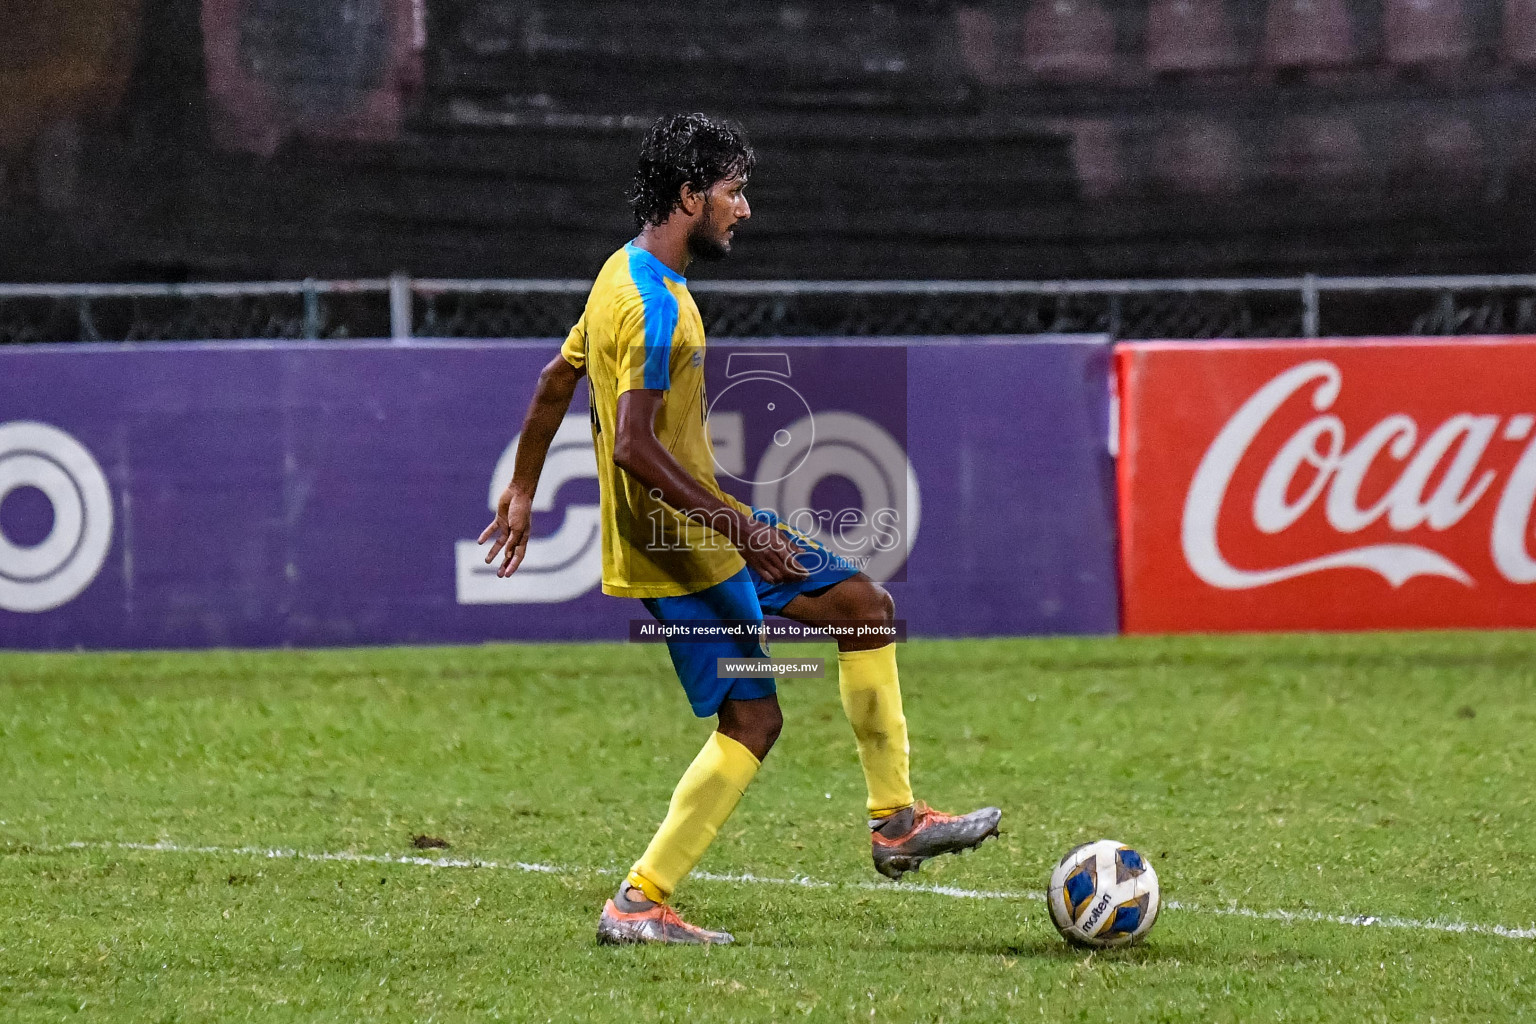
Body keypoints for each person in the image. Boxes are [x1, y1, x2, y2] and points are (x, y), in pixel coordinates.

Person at [478, 112, 1001, 946]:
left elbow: (553, 381)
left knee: (866, 607)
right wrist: (739, 528)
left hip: (710, 528)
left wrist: (522, 491)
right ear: (691, 195)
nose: (743, 208)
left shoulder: (622, 272)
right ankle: (637, 903)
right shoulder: (653, 310)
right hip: (679, 551)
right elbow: (637, 449)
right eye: (732, 191)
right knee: (754, 722)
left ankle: (896, 820)